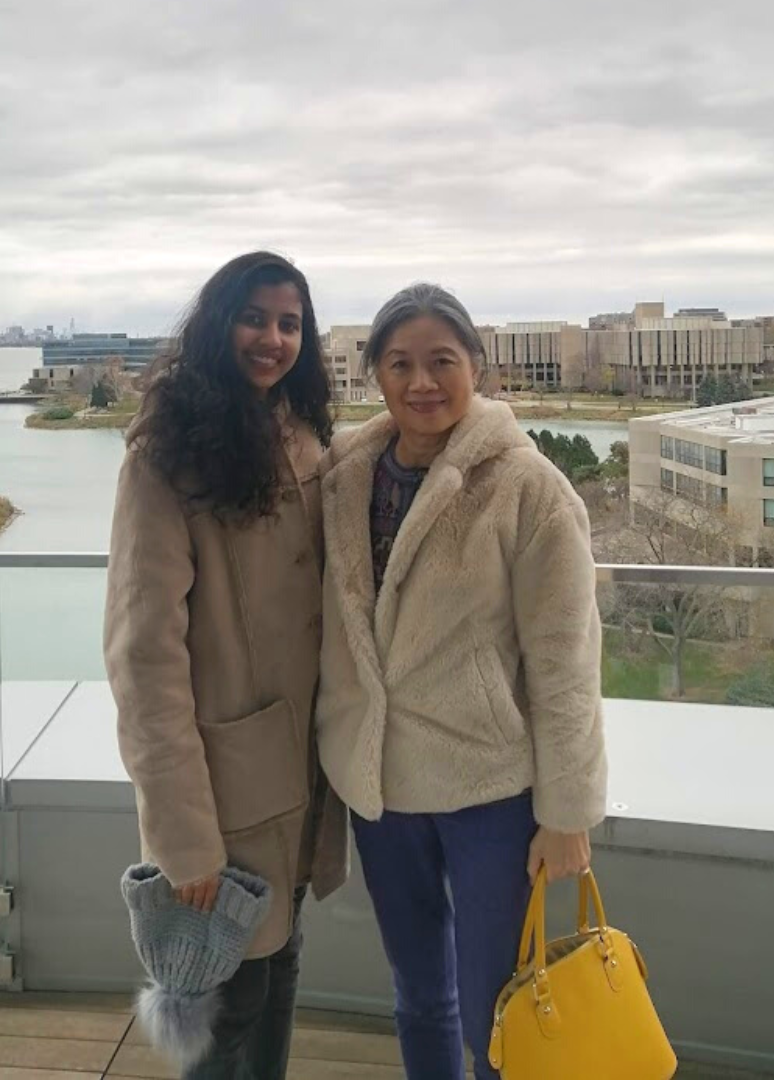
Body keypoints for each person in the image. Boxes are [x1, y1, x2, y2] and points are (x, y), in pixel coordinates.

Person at [315, 283, 607, 1080]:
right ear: (373, 372)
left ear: (477, 366)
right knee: (418, 996)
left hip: (491, 792)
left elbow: (567, 663)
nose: (422, 383)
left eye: (442, 361)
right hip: (382, 791)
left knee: (499, 1007)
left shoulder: (529, 489)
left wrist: (567, 812)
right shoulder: (344, 479)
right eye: (400, 363)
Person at [104, 251, 348, 1080]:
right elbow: (143, 654)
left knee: (278, 976)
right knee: (228, 1011)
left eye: (290, 323)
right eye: (254, 317)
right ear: (218, 323)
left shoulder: (304, 434)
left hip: (301, 780)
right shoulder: (167, 454)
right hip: (224, 794)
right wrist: (184, 838)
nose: (272, 338)